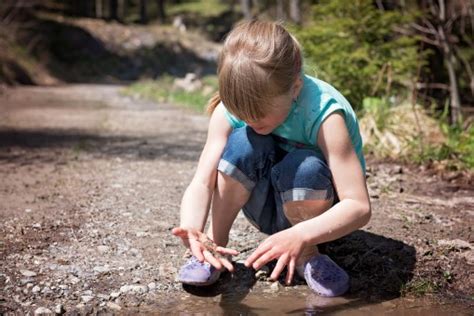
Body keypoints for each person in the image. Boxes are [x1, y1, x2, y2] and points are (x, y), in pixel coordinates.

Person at [171, 20, 371, 297]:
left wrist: (302, 235)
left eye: (260, 112)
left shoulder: (324, 113)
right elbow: (202, 182)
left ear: (295, 88)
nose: (250, 119)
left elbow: (358, 206)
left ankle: (307, 254)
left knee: (306, 165)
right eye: (242, 113)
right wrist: (192, 227)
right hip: (263, 204)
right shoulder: (233, 108)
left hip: (317, 216)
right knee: (243, 142)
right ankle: (215, 247)